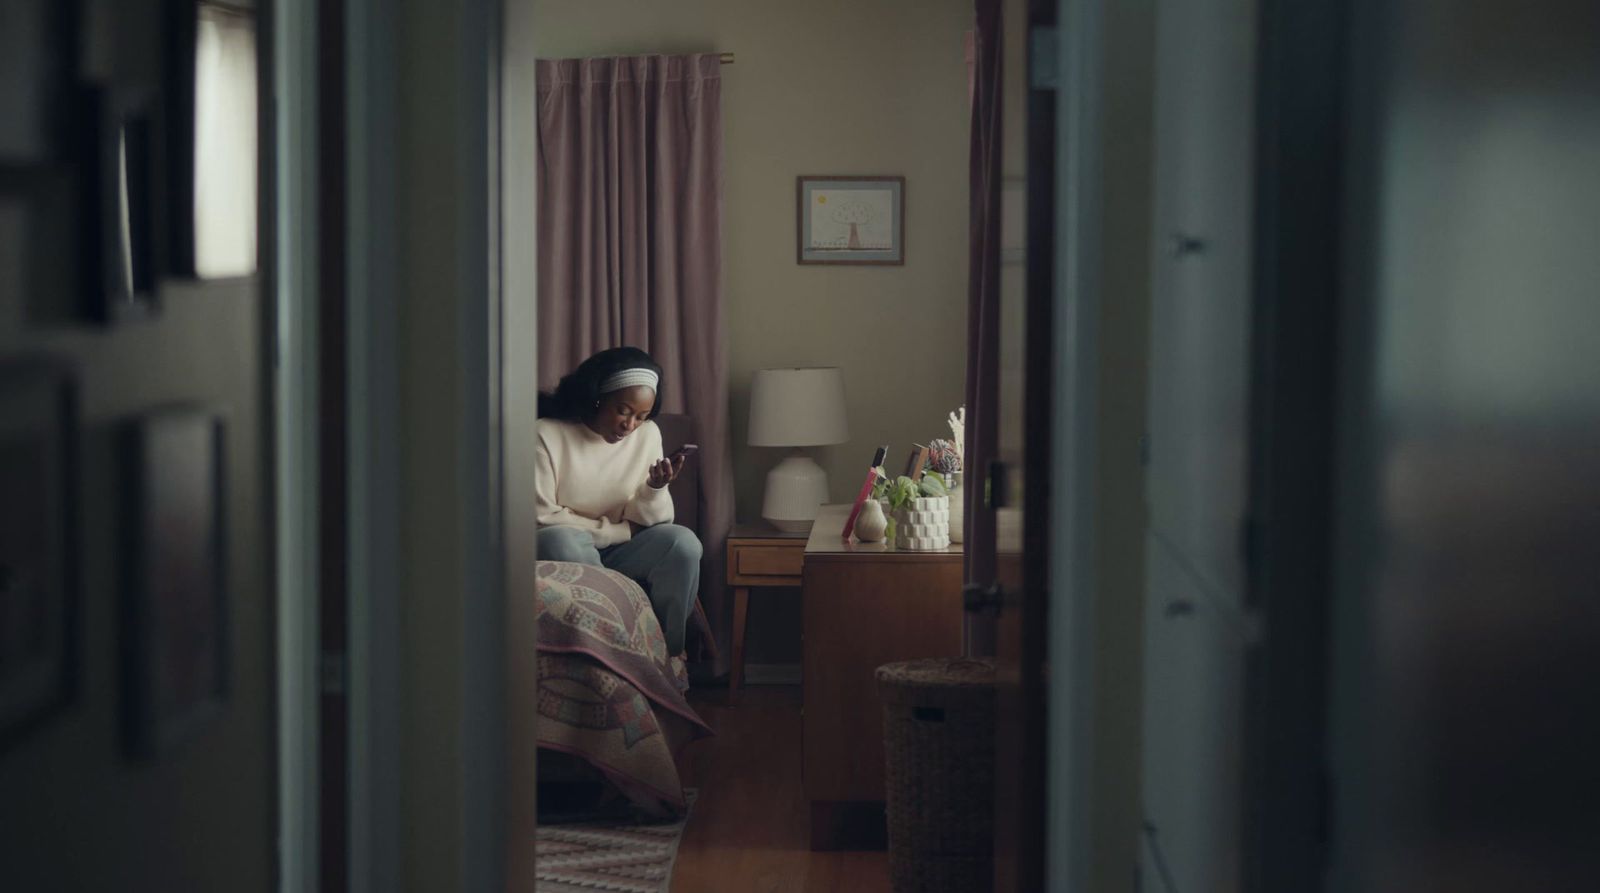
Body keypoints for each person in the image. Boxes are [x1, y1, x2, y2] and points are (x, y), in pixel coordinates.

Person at [536, 347, 702, 654]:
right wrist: (621, 531)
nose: (630, 426)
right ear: (597, 398)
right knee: (560, 540)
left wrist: (655, 487)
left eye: (641, 416)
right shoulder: (546, 433)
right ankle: (610, 649)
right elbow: (543, 517)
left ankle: (667, 655)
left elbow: (655, 522)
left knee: (683, 542)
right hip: (571, 548)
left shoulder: (647, 434)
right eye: (623, 411)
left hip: (622, 551)